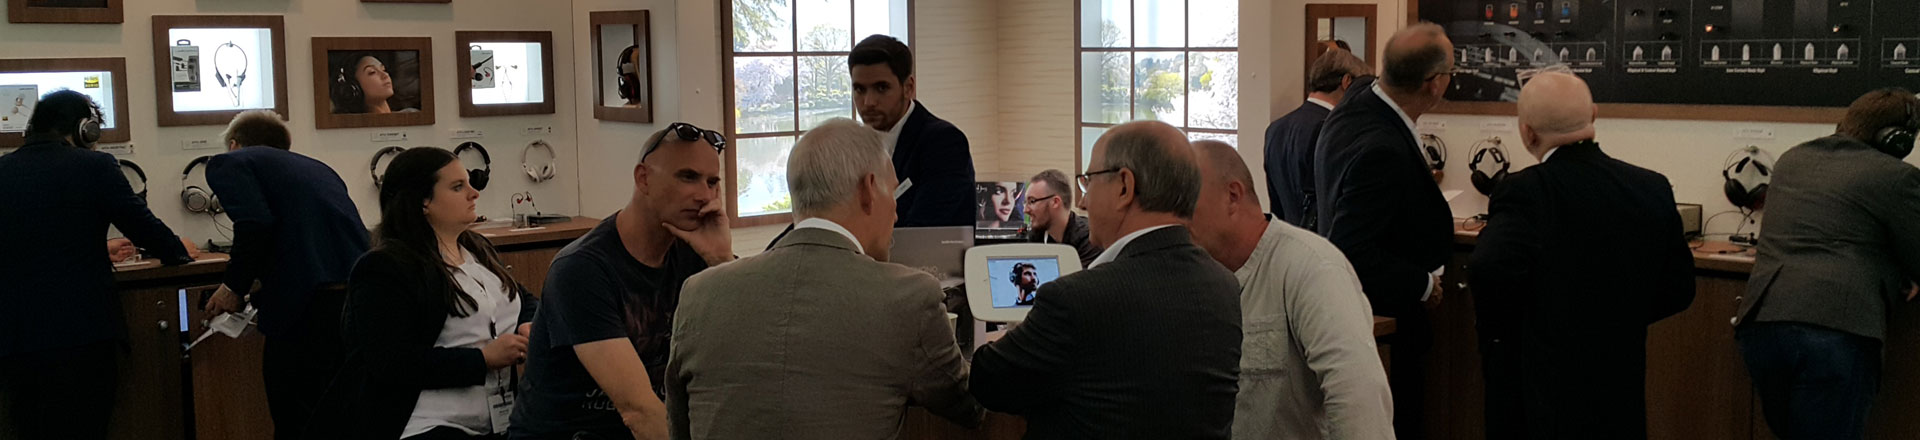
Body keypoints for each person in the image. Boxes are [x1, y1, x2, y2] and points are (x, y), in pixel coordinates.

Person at [665, 118, 982, 439]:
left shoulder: (697, 293)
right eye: (894, 194)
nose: (897, 212)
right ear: (869, 189)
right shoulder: (909, 297)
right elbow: (972, 405)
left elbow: (680, 426)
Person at [971, 120, 1242, 439]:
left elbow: (987, 382)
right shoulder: (1225, 285)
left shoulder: (1076, 299)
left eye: (1088, 182)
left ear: (1124, 187)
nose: (1082, 202)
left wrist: (1006, 339)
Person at [1467, 73, 1696, 439]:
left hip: (1544, 389)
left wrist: (1526, 329)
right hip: (1620, 381)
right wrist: (1619, 317)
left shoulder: (1526, 190)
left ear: (1527, 132)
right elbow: (1679, 288)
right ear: (1593, 115)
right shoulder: (1651, 186)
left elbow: (1487, 269)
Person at [510, 122, 734, 440]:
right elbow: (638, 411)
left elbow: (752, 353)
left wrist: (720, 259)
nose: (704, 195)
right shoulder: (581, 269)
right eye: (687, 177)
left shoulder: (696, 254)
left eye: (712, 182)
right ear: (643, 178)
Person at [0, 90, 200, 440]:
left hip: (14, 336)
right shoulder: (95, 166)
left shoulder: (4, 170)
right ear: (85, 130)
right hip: (79, 331)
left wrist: (97, 248)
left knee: (29, 427)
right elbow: (143, 226)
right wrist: (177, 250)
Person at [307, 147, 536, 440]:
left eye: (469, 182)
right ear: (423, 201)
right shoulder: (384, 267)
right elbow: (390, 362)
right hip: (425, 423)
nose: (474, 193)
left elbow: (521, 298)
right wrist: (482, 360)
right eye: (458, 187)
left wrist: (527, 324)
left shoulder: (477, 248)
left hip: (498, 418)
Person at [1733, 88, 1920, 439]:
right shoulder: (1896, 176)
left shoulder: (1791, 160)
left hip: (1762, 324)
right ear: (1897, 139)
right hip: (1835, 331)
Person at [1187, 139, 1395, 439]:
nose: (1174, 217)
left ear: (1232, 196)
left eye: (1185, 202)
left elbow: (1358, 395)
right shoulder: (1192, 276)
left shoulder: (1311, 266)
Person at [1312, 23, 1457, 439]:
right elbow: (1352, 249)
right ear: (1435, 84)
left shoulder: (1359, 100)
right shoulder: (1382, 148)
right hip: (1386, 318)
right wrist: (1423, 284)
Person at [198, 110, 371, 439]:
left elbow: (255, 224)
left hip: (303, 307)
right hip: (353, 300)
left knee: (294, 415)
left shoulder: (229, 163)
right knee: (338, 415)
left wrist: (233, 287)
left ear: (234, 144)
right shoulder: (318, 168)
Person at [851, 34, 975, 227]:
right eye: (860, 89)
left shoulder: (944, 142)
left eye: (881, 88)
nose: (868, 102)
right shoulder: (853, 145)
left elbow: (924, 230)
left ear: (908, 87)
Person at [1264, 48, 1368, 229]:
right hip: (1324, 238)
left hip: (1286, 234)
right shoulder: (1335, 130)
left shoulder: (1275, 129)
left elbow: (1276, 200)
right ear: (1346, 82)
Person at [1022, 169, 1103, 264]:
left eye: (1032, 201)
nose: (1025, 210)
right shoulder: (1037, 235)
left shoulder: (1089, 238)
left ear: (1055, 202)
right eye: (1025, 202)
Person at [331, 53, 415, 114]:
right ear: (353, 88)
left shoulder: (411, 114)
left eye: (383, 69)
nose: (385, 75)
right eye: (372, 72)